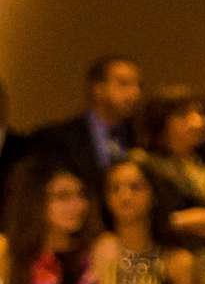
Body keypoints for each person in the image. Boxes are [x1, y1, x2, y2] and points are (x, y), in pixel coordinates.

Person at [94, 157, 197, 284]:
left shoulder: (178, 262)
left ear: (154, 195)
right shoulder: (101, 249)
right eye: (115, 189)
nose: (125, 196)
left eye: (135, 187)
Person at [31, 55, 141, 198]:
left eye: (138, 85)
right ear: (98, 89)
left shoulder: (140, 135)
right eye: (124, 84)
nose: (135, 93)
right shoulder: (59, 138)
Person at [135, 85, 205, 245]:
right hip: (169, 251)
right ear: (161, 121)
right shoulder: (145, 163)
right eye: (183, 115)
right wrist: (179, 220)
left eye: (200, 113)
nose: (197, 122)